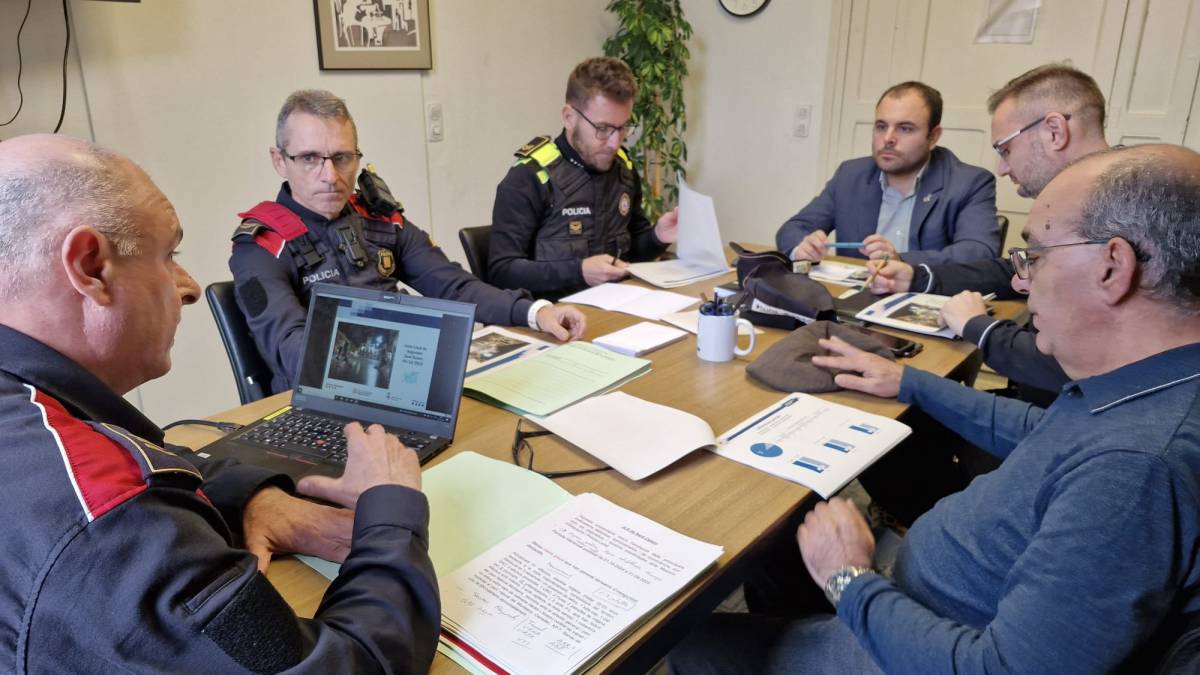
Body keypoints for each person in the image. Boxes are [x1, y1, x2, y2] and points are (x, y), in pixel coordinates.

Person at [670, 144, 1200, 673]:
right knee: (778, 546)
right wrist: (908, 381)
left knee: (693, 646)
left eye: (1034, 256)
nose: (1018, 280)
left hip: (922, 641)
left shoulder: (1137, 468)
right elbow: (1038, 431)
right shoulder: (1151, 384)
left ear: (1113, 267)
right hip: (917, 598)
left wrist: (848, 580)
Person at [0, 134, 440, 671]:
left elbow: (146, 457)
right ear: (90, 267)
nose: (188, 288)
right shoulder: (110, 518)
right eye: (169, 255)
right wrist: (391, 512)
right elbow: (350, 666)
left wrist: (253, 498)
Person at [230, 89, 585, 394]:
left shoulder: (378, 218)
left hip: (410, 384)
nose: (331, 176)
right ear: (280, 161)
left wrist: (536, 312)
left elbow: (453, 287)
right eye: (309, 158)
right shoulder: (261, 245)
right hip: (323, 407)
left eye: (342, 158)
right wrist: (406, 350)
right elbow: (291, 350)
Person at [868, 64, 1112, 400]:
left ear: (1054, 131)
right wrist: (919, 278)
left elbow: (1077, 364)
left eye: (1005, 149)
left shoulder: (1116, 214)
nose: (1002, 168)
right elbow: (1014, 268)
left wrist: (981, 330)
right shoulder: (1087, 199)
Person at [488, 56, 679, 298]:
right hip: (552, 320)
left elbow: (633, 253)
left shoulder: (623, 169)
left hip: (617, 310)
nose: (614, 142)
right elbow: (500, 271)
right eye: (602, 129)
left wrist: (657, 237)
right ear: (569, 117)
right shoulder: (529, 178)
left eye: (622, 128)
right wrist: (579, 271)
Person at [775, 81, 999, 266]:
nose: (888, 139)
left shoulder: (969, 183)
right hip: (855, 303)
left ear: (933, 137)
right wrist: (802, 247)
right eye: (881, 126)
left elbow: (979, 253)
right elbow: (793, 228)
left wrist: (900, 260)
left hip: (923, 304)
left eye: (905, 128)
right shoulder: (850, 175)